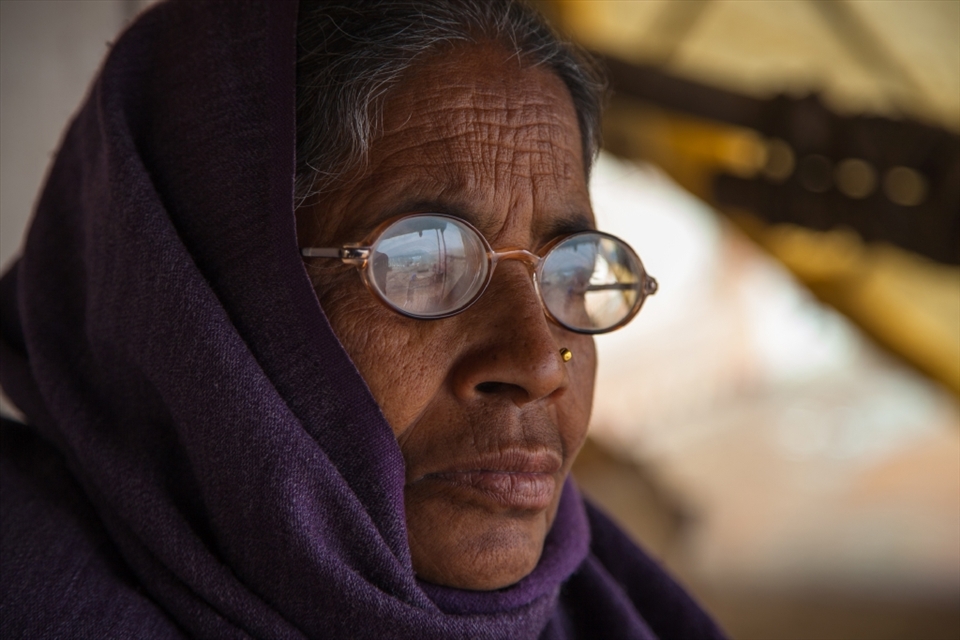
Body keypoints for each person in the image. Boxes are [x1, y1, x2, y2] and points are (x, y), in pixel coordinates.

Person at [0, 0, 725, 637]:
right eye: (423, 263)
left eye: (571, 266)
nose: (538, 365)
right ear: (201, 301)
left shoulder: (608, 614)